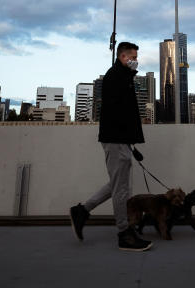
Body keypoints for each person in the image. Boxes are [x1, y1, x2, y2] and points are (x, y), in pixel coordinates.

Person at [70, 41, 152, 252]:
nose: (136, 61)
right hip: (115, 139)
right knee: (121, 189)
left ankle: (82, 211)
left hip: (119, 139)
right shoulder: (115, 76)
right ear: (123, 57)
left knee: (118, 184)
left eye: (136, 57)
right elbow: (116, 107)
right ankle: (124, 233)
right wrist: (129, 74)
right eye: (133, 57)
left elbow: (123, 108)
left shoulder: (121, 76)